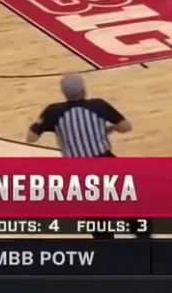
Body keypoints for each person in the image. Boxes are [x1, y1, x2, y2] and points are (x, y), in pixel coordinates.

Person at [26, 73, 151, 241]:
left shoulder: (53, 111)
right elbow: (125, 127)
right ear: (84, 90)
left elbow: (31, 138)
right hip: (104, 160)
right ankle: (145, 238)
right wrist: (108, 129)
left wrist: (41, 122)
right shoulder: (98, 105)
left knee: (96, 216)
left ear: (63, 93)